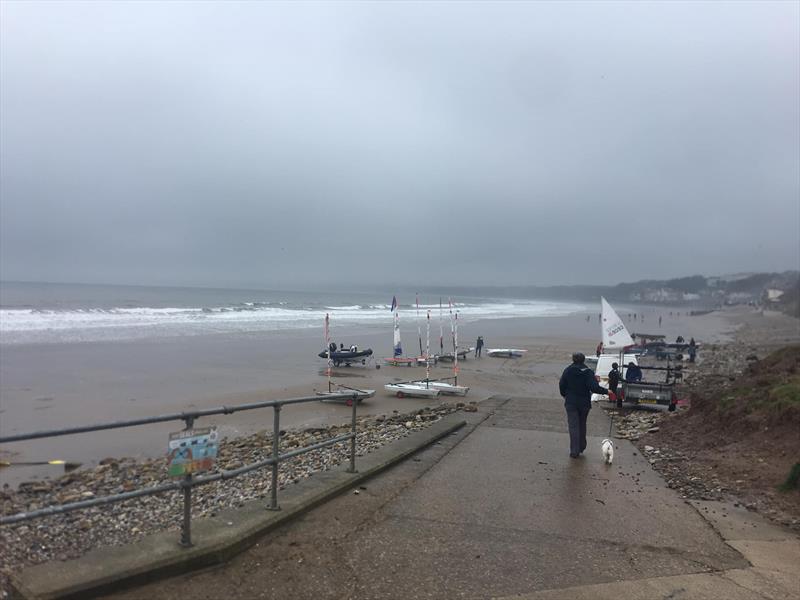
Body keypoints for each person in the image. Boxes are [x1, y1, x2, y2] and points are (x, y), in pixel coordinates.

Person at [559, 352, 608, 459]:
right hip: (584, 403)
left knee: (573, 426)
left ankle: (574, 451)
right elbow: (594, 387)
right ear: (583, 360)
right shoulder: (588, 372)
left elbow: (562, 385)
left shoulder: (568, 371)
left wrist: (565, 395)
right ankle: (581, 446)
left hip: (571, 402)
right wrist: (607, 391)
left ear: (573, 360)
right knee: (582, 424)